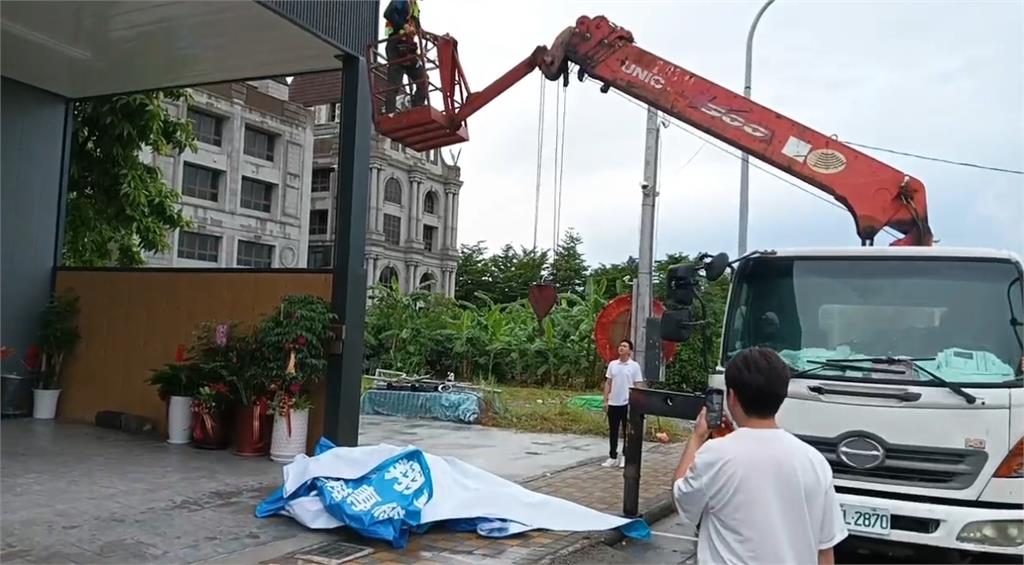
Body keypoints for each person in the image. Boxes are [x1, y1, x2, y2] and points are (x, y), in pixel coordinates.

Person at [672, 347, 847, 564]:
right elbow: (825, 551)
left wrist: (697, 438)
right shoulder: (814, 461)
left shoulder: (716, 455)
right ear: (782, 395)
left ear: (732, 396)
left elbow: (681, 496)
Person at [602, 339, 644, 468]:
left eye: (624, 346)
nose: (621, 348)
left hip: (628, 403)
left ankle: (625, 456)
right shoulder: (613, 364)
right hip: (614, 402)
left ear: (630, 351)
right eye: (620, 345)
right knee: (613, 431)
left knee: (627, 431)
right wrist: (606, 400)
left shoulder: (634, 366)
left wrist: (637, 402)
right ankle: (612, 456)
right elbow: (608, 383)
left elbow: (638, 384)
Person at [382, 0, 427, 114]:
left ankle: (416, 109)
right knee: (395, 82)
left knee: (423, 81)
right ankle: (390, 114)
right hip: (396, 44)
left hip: (409, 48)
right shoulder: (401, 1)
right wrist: (404, 26)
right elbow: (388, 13)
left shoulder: (415, 7)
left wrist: (427, 37)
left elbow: (418, 28)